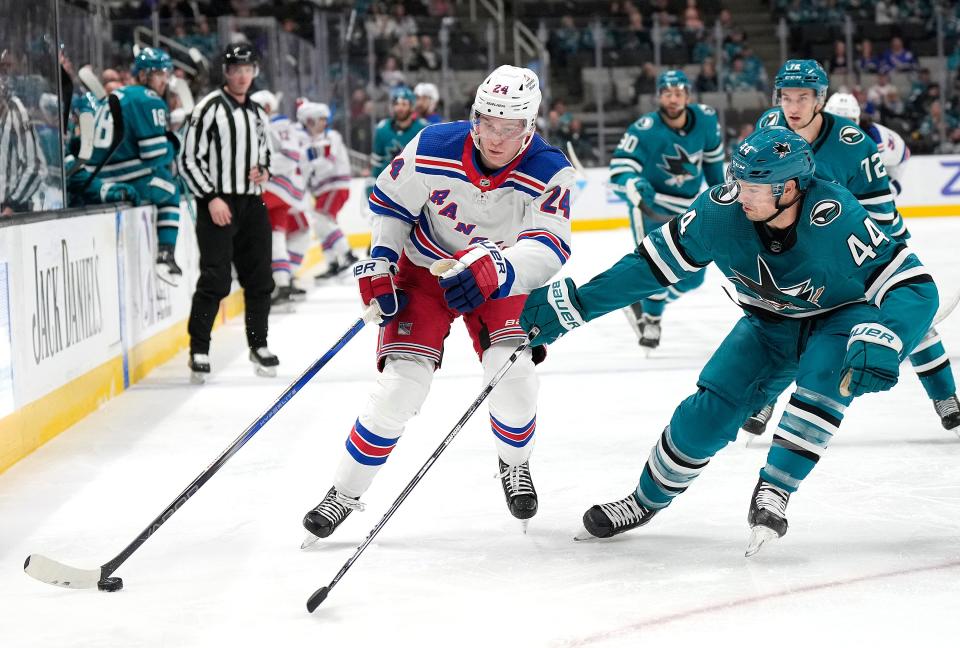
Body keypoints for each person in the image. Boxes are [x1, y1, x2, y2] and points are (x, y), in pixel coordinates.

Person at [519, 127, 938, 555]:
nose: (740, 194)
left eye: (753, 186)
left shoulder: (836, 217)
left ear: (789, 187)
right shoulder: (718, 213)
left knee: (821, 386)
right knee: (706, 414)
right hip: (768, 324)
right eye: (738, 181)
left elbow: (915, 285)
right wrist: (578, 305)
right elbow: (646, 269)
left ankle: (775, 489)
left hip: (838, 319)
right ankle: (643, 501)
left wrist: (888, 332)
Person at [301, 65, 575, 542]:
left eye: (510, 127)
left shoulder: (551, 169)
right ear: (475, 116)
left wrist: (499, 270)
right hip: (424, 273)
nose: (495, 137)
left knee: (511, 373)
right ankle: (344, 491)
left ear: (529, 126)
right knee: (401, 386)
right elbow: (391, 207)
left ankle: (514, 464)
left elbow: (551, 246)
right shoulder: (432, 145)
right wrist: (382, 261)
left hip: (498, 278)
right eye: (488, 121)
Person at [751, 60, 959, 434]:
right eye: (787, 97)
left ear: (821, 100)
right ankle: (764, 400)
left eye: (804, 97)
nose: (793, 107)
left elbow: (881, 208)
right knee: (787, 328)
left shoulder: (856, 143)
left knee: (917, 324)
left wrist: (897, 262)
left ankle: (945, 398)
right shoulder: (768, 129)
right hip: (795, 255)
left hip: (853, 249)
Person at [180, 44, 278, 382]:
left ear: (254, 72)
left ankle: (259, 344)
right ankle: (199, 349)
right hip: (218, 205)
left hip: (252, 204)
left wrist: (265, 171)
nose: (241, 75)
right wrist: (210, 197)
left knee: (261, 279)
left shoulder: (257, 112)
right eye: (235, 68)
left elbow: (269, 153)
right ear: (225, 72)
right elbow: (188, 159)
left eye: (247, 68)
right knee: (215, 279)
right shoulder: (207, 108)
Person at [608, 69, 724, 350]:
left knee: (694, 277)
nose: (673, 99)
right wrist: (633, 183)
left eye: (679, 93)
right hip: (651, 205)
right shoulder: (644, 129)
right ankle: (651, 319)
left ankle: (644, 301)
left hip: (687, 209)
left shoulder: (706, 121)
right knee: (654, 267)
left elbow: (713, 167)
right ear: (658, 96)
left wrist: (722, 201)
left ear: (688, 96)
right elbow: (620, 170)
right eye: (667, 93)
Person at [82, 49, 183, 282]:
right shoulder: (148, 98)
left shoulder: (117, 95)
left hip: (98, 177)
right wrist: (174, 143)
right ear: (144, 75)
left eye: (165, 74)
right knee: (171, 191)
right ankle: (165, 256)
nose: (163, 80)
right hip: (127, 176)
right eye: (158, 73)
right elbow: (155, 155)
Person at [249, 89, 311, 309]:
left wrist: (258, 168)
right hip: (286, 192)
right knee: (276, 235)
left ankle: (259, 276)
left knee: (246, 224)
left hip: (275, 188)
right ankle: (283, 282)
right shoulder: (274, 125)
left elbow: (290, 157)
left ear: (266, 107)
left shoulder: (278, 124)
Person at [296, 100, 357, 281]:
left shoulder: (332, 136)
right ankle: (332, 263)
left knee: (321, 218)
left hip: (334, 186)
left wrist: (309, 169)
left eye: (324, 119)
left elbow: (327, 162)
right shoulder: (307, 141)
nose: (324, 123)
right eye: (319, 119)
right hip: (323, 189)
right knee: (321, 225)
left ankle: (347, 254)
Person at [370, 86, 428, 188]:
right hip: (388, 186)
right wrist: (372, 186)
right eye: (396, 104)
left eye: (404, 104)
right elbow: (377, 163)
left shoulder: (423, 129)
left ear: (411, 106)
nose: (400, 108)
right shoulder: (382, 129)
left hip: (414, 186)